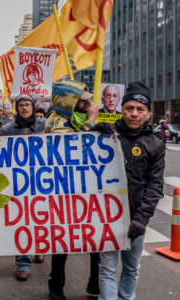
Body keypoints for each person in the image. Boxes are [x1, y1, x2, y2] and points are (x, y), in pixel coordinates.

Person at [96, 81, 164, 300]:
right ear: (122, 110)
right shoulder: (107, 135)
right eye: (129, 108)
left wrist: (141, 219)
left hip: (136, 220)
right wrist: (93, 132)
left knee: (131, 268)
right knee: (106, 269)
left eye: (140, 109)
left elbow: (155, 186)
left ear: (148, 113)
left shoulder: (155, 144)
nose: (134, 114)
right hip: (106, 217)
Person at [43, 79, 100, 300]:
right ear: (70, 102)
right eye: (82, 101)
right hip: (64, 192)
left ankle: (95, 285)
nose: (88, 105)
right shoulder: (56, 121)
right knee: (62, 241)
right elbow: (74, 149)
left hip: (88, 191)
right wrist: (91, 123)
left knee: (96, 239)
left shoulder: (78, 117)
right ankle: (56, 286)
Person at [0, 94, 46, 281]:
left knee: (41, 218)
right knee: (22, 221)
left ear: (33, 107)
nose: (25, 108)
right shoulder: (7, 129)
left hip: (42, 180)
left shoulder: (44, 125)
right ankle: (23, 263)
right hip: (18, 182)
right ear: (16, 108)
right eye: (21, 105)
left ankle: (40, 247)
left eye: (28, 104)